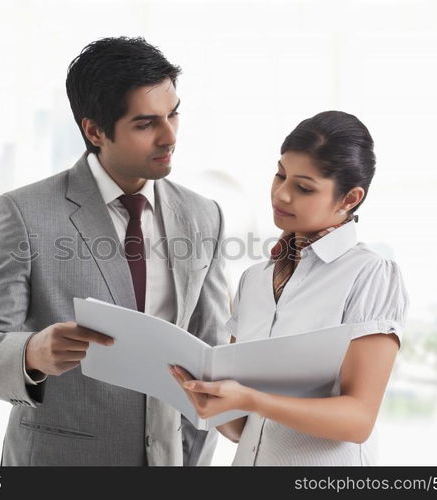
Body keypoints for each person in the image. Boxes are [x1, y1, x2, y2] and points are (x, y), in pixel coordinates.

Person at [0, 37, 230, 466]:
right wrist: (32, 353)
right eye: (145, 124)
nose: (169, 136)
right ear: (95, 131)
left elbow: (208, 360)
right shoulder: (23, 213)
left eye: (173, 113)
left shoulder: (203, 215)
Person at [170, 110, 409, 465]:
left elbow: (358, 420)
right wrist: (205, 394)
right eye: (280, 175)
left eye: (303, 187)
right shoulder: (254, 279)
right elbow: (240, 430)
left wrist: (251, 399)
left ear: (350, 198)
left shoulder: (370, 275)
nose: (281, 195)